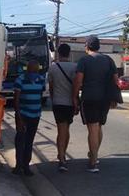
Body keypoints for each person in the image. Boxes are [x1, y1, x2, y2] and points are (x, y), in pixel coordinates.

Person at [72, 35, 118, 173]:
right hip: (104, 99)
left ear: (87, 46)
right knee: (99, 127)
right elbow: (115, 80)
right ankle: (95, 156)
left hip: (89, 98)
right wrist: (114, 98)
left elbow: (79, 81)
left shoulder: (84, 60)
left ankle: (93, 163)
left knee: (92, 128)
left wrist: (74, 96)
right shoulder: (109, 60)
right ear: (98, 46)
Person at [12, 60, 46, 176]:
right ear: (28, 70)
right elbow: (16, 100)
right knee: (20, 140)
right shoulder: (20, 80)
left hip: (35, 116)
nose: (34, 72)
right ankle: (18, 165)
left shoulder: (41, 80)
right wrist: (19, 117)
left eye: (35, 70)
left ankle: (26, 166)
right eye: (32, 70)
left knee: (29, 141)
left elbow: (40, 96)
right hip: (23, 115)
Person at [48, 43, 76, 172]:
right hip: (70, 103)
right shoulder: (75, 67)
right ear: (69, 53)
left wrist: (53, 99)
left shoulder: (53, 68)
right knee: (67, 129)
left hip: (58, 102)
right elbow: (77, 86)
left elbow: (51, 87)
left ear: (58, 53)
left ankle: (62, 158)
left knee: (61, 130)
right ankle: (63, 153)